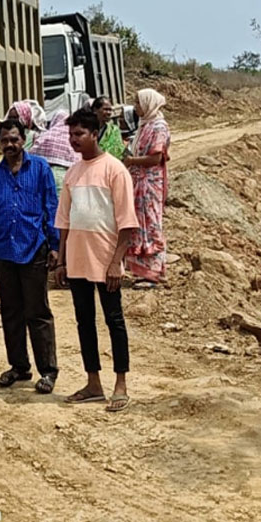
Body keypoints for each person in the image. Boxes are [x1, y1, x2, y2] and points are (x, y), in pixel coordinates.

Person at [54, 109, 139, 413]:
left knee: (114, 321)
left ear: (94, 134)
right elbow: (63, 221)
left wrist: (117, 262)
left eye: (79, 134)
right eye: (71, 135)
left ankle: (121, 385)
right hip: (77, 261)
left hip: (106, 262)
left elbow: (128, 223)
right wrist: (61, 261)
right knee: (84, 322)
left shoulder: (115, 170)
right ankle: (93, 383)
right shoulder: (72, 173)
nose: (73, 140)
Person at [0, 118, 61, 394]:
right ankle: (19, 366)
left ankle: (48, 371)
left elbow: (51, 207)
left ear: (23, 139)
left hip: (33, 250)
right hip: (3, 252)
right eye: (4, 140)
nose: (10, 145)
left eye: (14, 139)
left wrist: (55, 245)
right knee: (11, 313)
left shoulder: (39, 168)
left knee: (37, 312)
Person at [122, 89, 171, 289]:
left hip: (149, 183)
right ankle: (143, 270)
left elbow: (156, 157)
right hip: (139, 181)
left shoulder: (159, 127)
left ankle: (153, 271)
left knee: (150, 223)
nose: (136, 107)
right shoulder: (145, 125)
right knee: (139, 223)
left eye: (139, 103)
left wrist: (132, 161)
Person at [30, 109, 81, 193]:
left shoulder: (46, 136)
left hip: (44, 175)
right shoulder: (73, 138)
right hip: (67, 177)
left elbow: (32, 154)